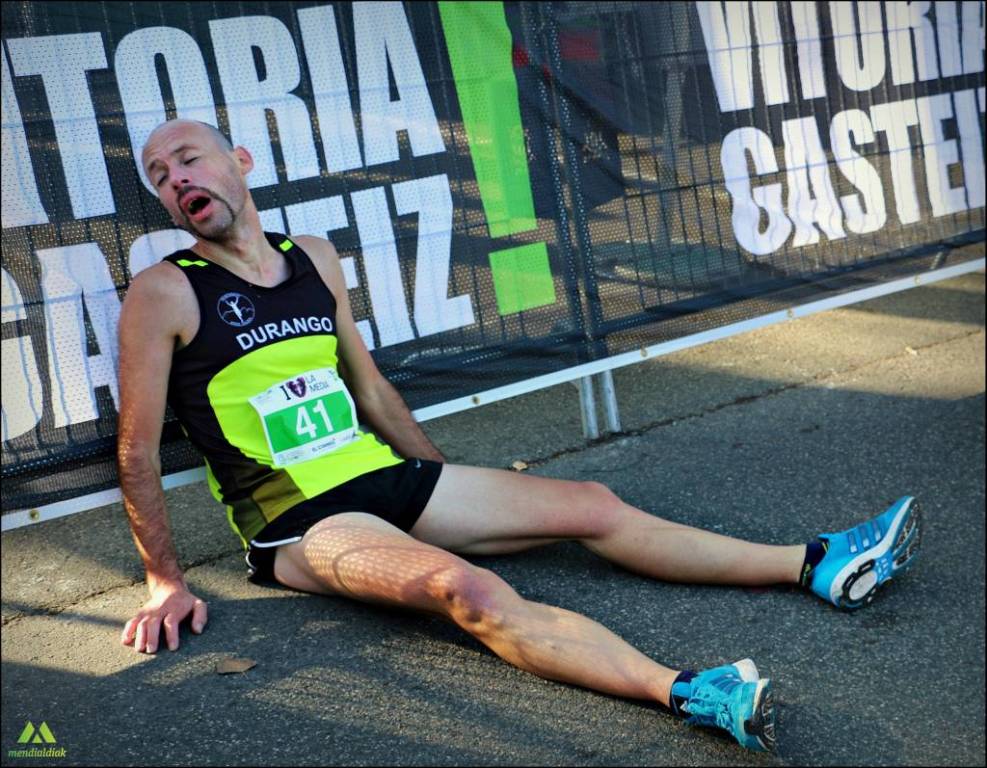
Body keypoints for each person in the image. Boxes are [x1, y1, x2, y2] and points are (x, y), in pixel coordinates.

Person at [118, 119, 922, 753]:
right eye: (160, 176)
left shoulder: (314, 258)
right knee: (465, 591)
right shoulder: (164, 292)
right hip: (304, 523)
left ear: (240, 162)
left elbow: (371, 391)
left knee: (591, 504)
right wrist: (164, 581)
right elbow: (137, 448)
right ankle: (688, 691)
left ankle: (813, 563)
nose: (177, 179)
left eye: (188, 159)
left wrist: (441, 486)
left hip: (385, 477)